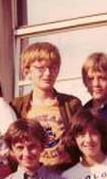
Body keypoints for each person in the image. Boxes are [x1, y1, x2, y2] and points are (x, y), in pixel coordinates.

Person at [10, 42, 81, 172]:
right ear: (27, 72)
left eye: (52, 68)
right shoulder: (17, 106)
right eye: (40, 68)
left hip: (66, 173)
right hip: (33, 174)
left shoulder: (71, 104)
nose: (48, 73)